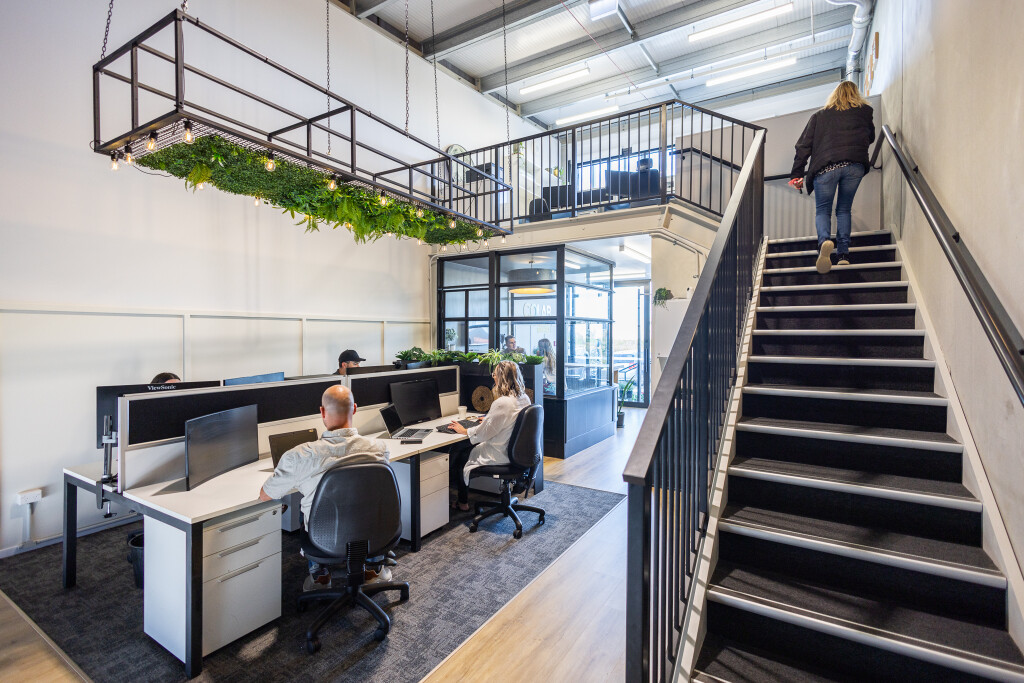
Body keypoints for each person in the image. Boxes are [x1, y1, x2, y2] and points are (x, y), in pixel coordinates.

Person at [259, 385, 390, 590]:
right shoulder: (380, 448)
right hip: (372, 533)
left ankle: (320, 577)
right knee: (369, 501)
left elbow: (266, 494)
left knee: (306, 507)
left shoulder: (300, 455)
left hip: (323, 538)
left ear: (322, 412)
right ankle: (373, 570)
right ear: (355, 409)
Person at [788, 80, 876, 274]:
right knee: (844, 210)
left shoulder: (820, 116)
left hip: (826, 166)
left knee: (823, 210)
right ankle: (843, 254)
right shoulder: (864, 112)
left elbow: (803, 146)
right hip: (855, 165)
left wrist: (797, 174)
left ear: (834, 95)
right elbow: (870, 137)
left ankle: (824, 242)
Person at [446, 360, 532, 511]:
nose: (493, 377)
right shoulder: (524, 398)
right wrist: (489, 420)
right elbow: (509, 420)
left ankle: (462, 502)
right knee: (463, 449)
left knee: (460, 453)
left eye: (495, 374)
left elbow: (483, 433)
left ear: (501, 378)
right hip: (517, 453)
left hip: (500, 454)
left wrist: (464, 430)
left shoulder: (502, 402)